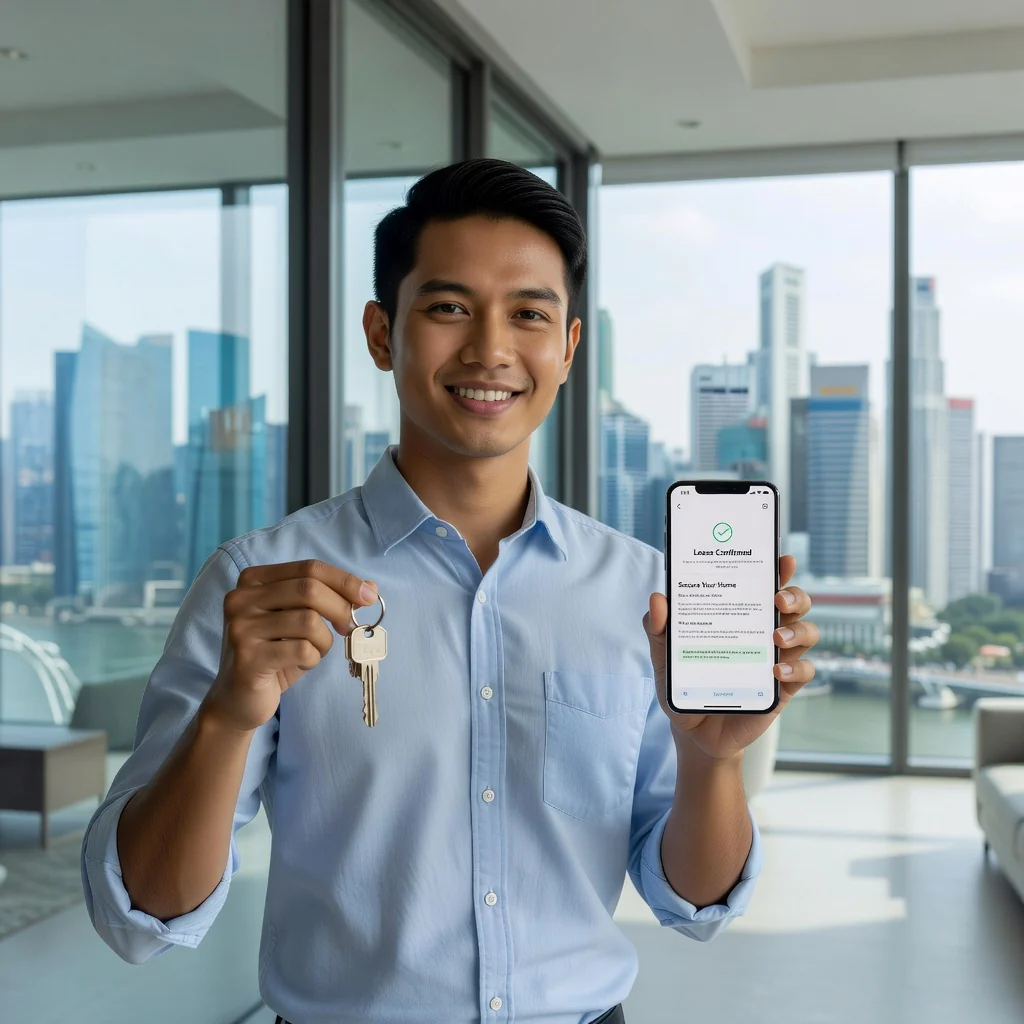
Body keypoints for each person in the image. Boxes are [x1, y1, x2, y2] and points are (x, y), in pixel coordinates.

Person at [81, 159, 819, 1024]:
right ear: (381, 333)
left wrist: (713, 760)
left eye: (529, 314)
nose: (490, 350)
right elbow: (143, 914)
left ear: (568, 348)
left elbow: (694, 900)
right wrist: (225, 719)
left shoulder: (644, 593)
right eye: (448, 308)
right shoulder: (263, 586)